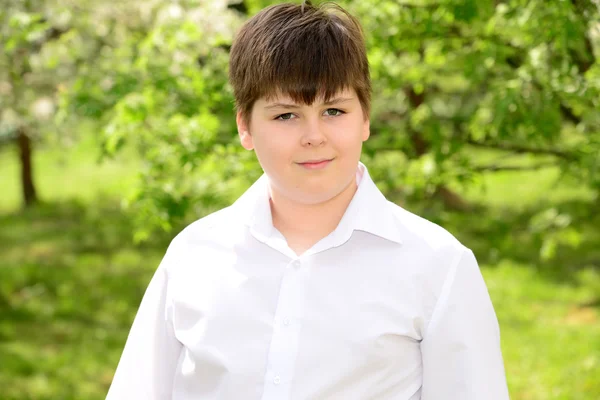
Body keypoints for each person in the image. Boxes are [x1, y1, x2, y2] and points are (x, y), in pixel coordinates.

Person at [106, 1, 509, 399]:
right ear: (245, 127)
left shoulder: (438, 265)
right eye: (286, 116)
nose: (313, 135)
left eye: (334, 111)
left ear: (365, 119)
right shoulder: (194, 256)